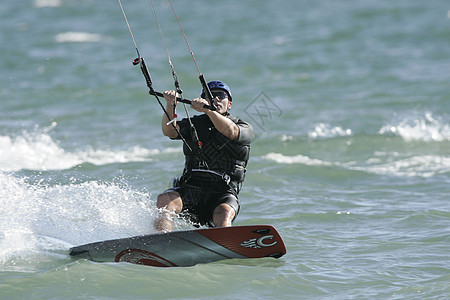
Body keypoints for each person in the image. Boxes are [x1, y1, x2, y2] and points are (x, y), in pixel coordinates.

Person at [155, 80, 254, 232]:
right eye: (210, 96)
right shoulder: (194, 124)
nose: (215, 99)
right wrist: (170, 105)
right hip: (190, 189)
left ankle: (223, 242)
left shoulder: (243, 127)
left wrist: (209, 111)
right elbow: (170, 132)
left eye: (221, 96)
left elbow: (230, 132)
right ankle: (160, 241)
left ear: (230, 104)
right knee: (164, 200)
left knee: (224, 212)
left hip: (222, 193)